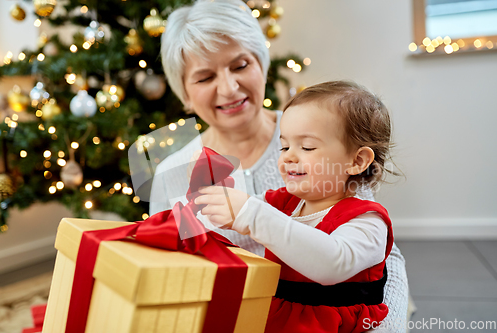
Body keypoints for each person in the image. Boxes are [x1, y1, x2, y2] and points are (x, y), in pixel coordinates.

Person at [150, 0, 409, 331]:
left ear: (262, 64)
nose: (229, 88)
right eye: (204, 77)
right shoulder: (173, 173)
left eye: (241, 65)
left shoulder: (327, 144)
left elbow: (384, 258)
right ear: (184, 93)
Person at [195, 81, 397, 332]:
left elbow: (332, 262)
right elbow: (231, 217)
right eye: (285, 146)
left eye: (307, 147)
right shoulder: (286, 201)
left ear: (356, 161)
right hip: (276, 315)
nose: (288, 156)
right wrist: (205, 213)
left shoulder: (367, 220)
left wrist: (252, 215)